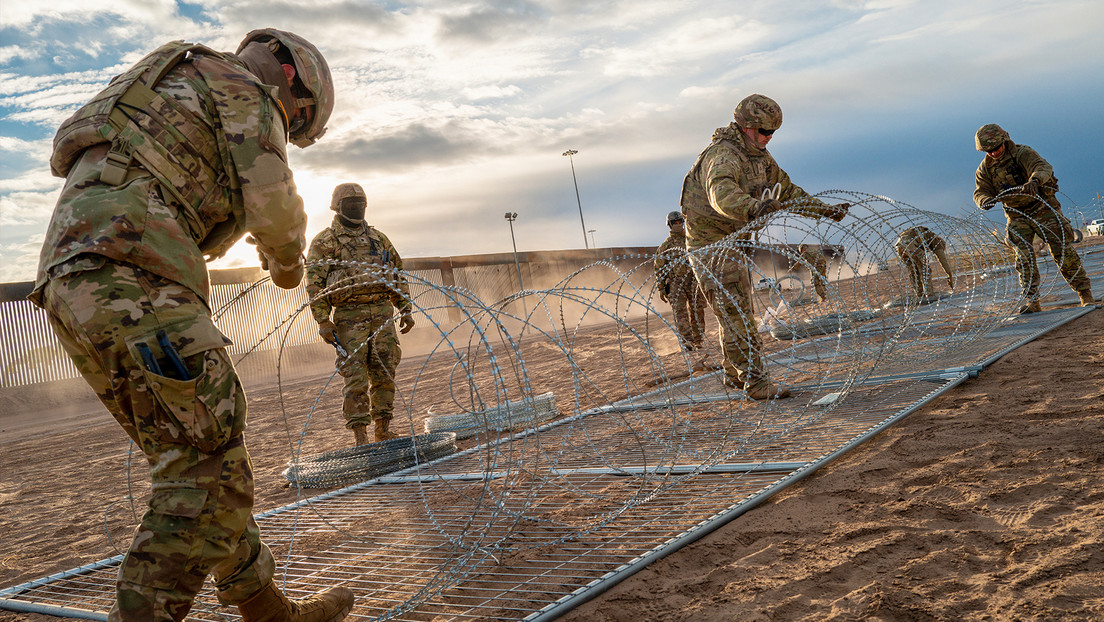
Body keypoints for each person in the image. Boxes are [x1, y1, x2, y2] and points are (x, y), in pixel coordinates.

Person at [28, 30, 354, 622]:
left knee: (200, 457)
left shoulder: (173, 82)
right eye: (297, 122)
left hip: (70, 282)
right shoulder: (246, 90)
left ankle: (268, 612)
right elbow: (275, 204)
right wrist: (286, 266)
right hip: (135, 273)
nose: (288, 126)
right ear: (293, 83)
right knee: (206, 464)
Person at [680, 94, 849, 400]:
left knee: (733, 313)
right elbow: (722, 195)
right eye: (764, 132)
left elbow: (787, 190)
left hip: (735, 244)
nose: (769, 138)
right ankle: (755, 382)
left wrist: (822, 210)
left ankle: (735, 374)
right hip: (712, 248)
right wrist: (754, 208)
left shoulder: (759, 158)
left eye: (773, 133)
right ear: (746, 126)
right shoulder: (723, 155)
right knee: (737, 315)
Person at [306, 183, 415, 445]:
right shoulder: (325, 241)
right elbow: (314, 284)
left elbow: (396, 272)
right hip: (348, 317)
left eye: (360, 203)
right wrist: (322, 320)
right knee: (355, 376)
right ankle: (360, 436)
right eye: (350, 203)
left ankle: (383, 428)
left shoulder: (379, 239)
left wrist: (405, 308)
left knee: (385, 372)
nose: (356, 207)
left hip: (382, 312)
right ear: (337, 206)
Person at [973, 123, 1094, 312]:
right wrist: (984, 200)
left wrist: (1035, 180)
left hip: (1042, 208)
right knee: (1022, 258)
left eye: (996, 148)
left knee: (1062, 250)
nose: (994, 153)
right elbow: (980, 191)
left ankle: (1085, 294)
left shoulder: (1023, 154)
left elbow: (1042, 167)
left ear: (1004, 141)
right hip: (1017, 214)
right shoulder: (985, 169)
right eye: (988, 151)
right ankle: (1032, 301)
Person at [654, 211, 707, 351]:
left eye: (680, 222)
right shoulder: (665, 246)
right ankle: (687, 342)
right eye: (675, 223)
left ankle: (698, 340)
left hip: (693, 280)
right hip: (676, 282)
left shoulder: (691, 240)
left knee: (698, 310)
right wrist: (661, 289)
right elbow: (659, 269)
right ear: (670, 225)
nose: (678, 225)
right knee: (681, 314)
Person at [893, 226, 955, 300]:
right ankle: (929, 294)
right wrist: (949, 274)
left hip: (900, 246)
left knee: (914, 271)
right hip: (911, 245)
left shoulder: (927, 235)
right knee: (925, 270)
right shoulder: (937, 242)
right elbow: (943, 260)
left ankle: (919, 294)